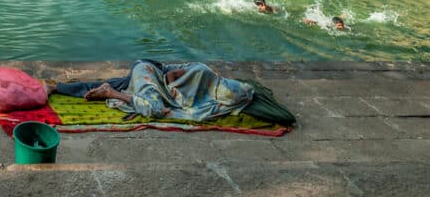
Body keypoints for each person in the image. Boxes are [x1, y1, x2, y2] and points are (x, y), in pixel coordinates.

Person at [54, 60, 294, 125]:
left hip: (148, 69)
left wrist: (171, 84)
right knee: (151, 106)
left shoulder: (202, 74)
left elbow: (171, 73)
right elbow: (158, 107)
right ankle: (109, 93)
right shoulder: (201, 76)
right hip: (149, 76)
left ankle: (58, 87)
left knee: (121, 82)